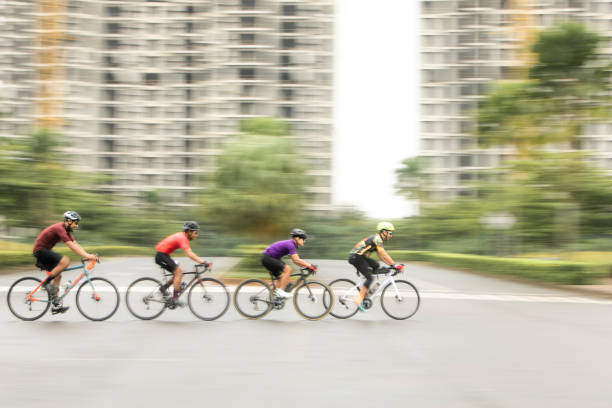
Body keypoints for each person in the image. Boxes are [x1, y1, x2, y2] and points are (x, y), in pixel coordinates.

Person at [34, 211, 99, 315]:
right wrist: (87, 256)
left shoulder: (66, 230)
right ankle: (45, 284)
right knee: (65, 261)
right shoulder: (60, 228)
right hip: (40, 251)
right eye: (75, 223)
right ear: (68, 221)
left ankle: (55, 305)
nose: (76, 225)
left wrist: (87, 254)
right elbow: (71, 246)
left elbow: (75, 243)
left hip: (45, 251)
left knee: (58, 276)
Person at [348, 221, 403, 311]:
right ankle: (359, 299)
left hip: (359, 257)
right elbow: (383, 254)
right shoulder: (377, 239)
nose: (391, 235)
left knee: (376, 265)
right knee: (369, 278)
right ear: (383, 232)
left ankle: (367, 292)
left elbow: (381, 256)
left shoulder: (377, 239)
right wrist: (394, 265)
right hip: (357, 257)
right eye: (390, 233)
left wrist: (391, 265)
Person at [155, 221, 209, 308]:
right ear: (189, 231)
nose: (196, 235)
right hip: (161, 255)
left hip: (164, 255)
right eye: (195, 233)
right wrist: (203, 262)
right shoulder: (182, 238)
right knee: (179, 272)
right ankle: (175, 299)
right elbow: (189, 254)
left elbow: (189, 253)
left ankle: (163, 288)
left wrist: (202, 262)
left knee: (179, 272)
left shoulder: (183, 237)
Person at [261, 229, 316, 298]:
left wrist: (306, 266)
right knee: (288, 269)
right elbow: (296, 260)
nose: (304, 241)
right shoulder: (290, 245)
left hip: (268, 258)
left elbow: (295, 260)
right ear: (297, 238)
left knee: (281, 278)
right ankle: (281, 291)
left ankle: (271, 300)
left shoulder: (291, 244)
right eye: (303, 239)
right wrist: (309, 265)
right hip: (268, 258)